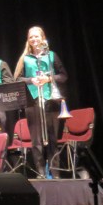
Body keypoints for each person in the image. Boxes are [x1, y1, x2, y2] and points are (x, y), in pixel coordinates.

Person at [13, 26, 68, 178]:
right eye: (31, 37)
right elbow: (17, 79)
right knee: (36, 140)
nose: (34, 39)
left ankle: (55, 173)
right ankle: (41, 173)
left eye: (36, 36)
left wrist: (48, 78)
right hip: (33, 101)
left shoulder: (51, 55)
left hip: (51, 100)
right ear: (28, 40)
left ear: (42, 38)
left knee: (52, 138)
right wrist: (32, 80)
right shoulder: (25, 58)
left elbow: (63, 76)